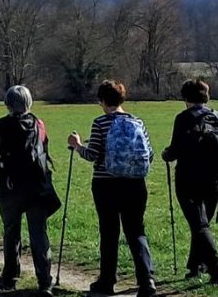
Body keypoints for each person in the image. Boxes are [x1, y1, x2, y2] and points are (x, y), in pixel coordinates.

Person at [68, 80, 156, 297]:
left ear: (102, 100)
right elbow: (149, 155)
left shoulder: (100, 123)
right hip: (135, 184)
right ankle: (147, 281)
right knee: (136, 231)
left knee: (109, 233)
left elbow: (93, 155)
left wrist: (77, 145)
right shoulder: (137, 122)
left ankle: (107, 281)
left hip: (106, 184)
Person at [0, 85, 60, 296]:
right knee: (39, 234)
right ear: (29, 102)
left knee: (12, 233)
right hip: (37, 186)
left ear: (7, 104)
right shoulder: (39, 123)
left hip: (10, 187)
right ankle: (45, 282)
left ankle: (9, 278)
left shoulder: (2, 124)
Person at [162, 79, 218, 285]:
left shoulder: (183, 118)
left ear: (185, 98)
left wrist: (166, 155)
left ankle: (217, 270)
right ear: (207, 96)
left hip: (188, 179)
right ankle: (195, 267)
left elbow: (175, 149)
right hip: (214, 180)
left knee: (199, 224)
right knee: (201, 224)